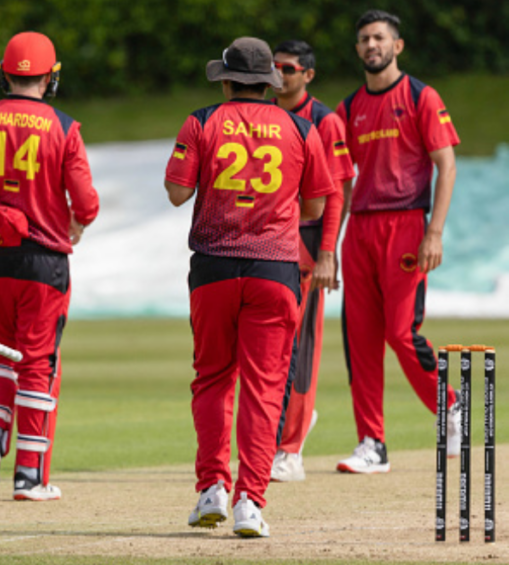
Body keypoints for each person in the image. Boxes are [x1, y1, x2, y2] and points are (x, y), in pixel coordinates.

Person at [164, 37, 335, 538]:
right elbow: (316, 208)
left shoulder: (201, 121)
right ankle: (250, 503)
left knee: (213, 378)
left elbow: (177, 193)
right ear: (270, 83)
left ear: (225, 80)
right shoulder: (302, 127)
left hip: (214, 266)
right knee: (264, 388)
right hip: (275, 269)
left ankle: (212, 487)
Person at [0, 31, 100, 502]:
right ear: (50, 77)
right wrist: (75, 221)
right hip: (45, 261)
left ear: (4, 72)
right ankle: (30, 476)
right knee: (38, 365)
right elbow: (88, 203)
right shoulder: (64, 126)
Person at [335, 9, 461, 475]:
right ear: (357, 49)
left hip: (407, 226)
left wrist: (434, 231)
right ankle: (372, 443)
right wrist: (330, 244)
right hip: (361, 230)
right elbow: (341, 180)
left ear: (397, 46)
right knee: (361, 339)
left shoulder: (420, 97)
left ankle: (451, 407)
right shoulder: (350, 108)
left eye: (380, 38)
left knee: (400, 333)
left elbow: (446, 165)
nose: (372, 45)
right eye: (365, 38)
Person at [268, 40, 356, 482]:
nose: (278, 74)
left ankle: (290, 451)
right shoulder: (262, 114)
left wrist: (327, 254)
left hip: (305, 250)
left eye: (287, 68)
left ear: (308, 75)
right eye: (273, 67)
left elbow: (336, 191)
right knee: (270, 349)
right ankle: (280, 434)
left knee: (300, 351)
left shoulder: (325, 121)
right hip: (266, 248)